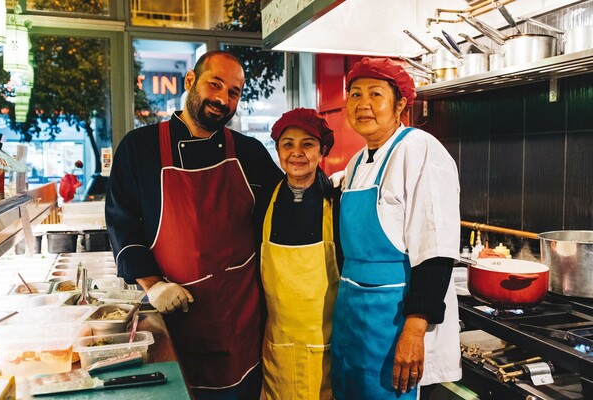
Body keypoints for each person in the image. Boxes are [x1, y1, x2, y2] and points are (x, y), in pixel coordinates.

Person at [105, 50, 283, 400]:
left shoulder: (249, 153)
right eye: (214, 84)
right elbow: (122, 223)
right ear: (190, 82)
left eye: (233, 92)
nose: (222, 99)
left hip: (240, 321)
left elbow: (283, 213)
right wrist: (152, 284)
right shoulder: (139, 149)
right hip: (174, 319)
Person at [331, 57, 462, 400]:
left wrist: (415, 330)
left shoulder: (420, 149)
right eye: (355, 95)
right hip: (353, 320)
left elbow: (435, 246)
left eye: (375, 94)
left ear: (400, 104)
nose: (363, 104)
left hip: (395, 324)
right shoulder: (356, 162)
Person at [260, 108, 341, 399]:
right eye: (287, 144)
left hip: (326, 351)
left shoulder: (338, 202)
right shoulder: (263, 203)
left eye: (307, 144)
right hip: (277, 349)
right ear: (278, 150)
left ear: (322, 151)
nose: (297, 152)